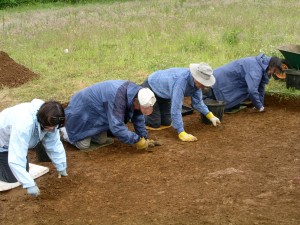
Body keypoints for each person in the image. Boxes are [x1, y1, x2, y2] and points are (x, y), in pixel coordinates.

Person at [60, 80, 158, 151]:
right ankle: (64, 131)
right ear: (135, 101)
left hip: (98, 113)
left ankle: (89, 133)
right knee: (83, 145)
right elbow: (116, 127)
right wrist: (137, 140)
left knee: (102, 140)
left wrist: (144, 137)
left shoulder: (137, 94)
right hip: (82, 110)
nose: (141, 110)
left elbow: (138, 117)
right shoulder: (119, 98)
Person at [0, 99, 68, 197]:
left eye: (54, 126)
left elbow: (54, 144)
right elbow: (16, 158)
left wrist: (61, 166)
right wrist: (29, 185)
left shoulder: (50, 117)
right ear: (42, 120)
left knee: (24, 170)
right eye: (49, 126)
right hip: (2, 143)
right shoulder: (23, 125)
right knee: (13, 177)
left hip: (16, 138)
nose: (52, 129)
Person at [142, 62, 221, 142]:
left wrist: (211, 116)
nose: (204, 86)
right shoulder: (181, 82)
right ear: (196, 78)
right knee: (155, 123)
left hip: (165, 95)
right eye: (203, 83)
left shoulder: (197, 85)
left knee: (166, 122)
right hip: (151, 88)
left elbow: (197, 102)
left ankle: (154, 108)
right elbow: (176, 108)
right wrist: (181, 132)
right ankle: (138, 112)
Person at [206, 54, 284, 112]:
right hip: (219, 80)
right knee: (205, 98)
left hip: (224, 79)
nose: (273, 73)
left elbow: (261, 88)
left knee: (233, 105)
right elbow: (252, 90)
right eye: (274, 71)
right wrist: (259, 107)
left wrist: (260, 105)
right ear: (271, 65)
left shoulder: (262, 66)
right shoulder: (256, 69)